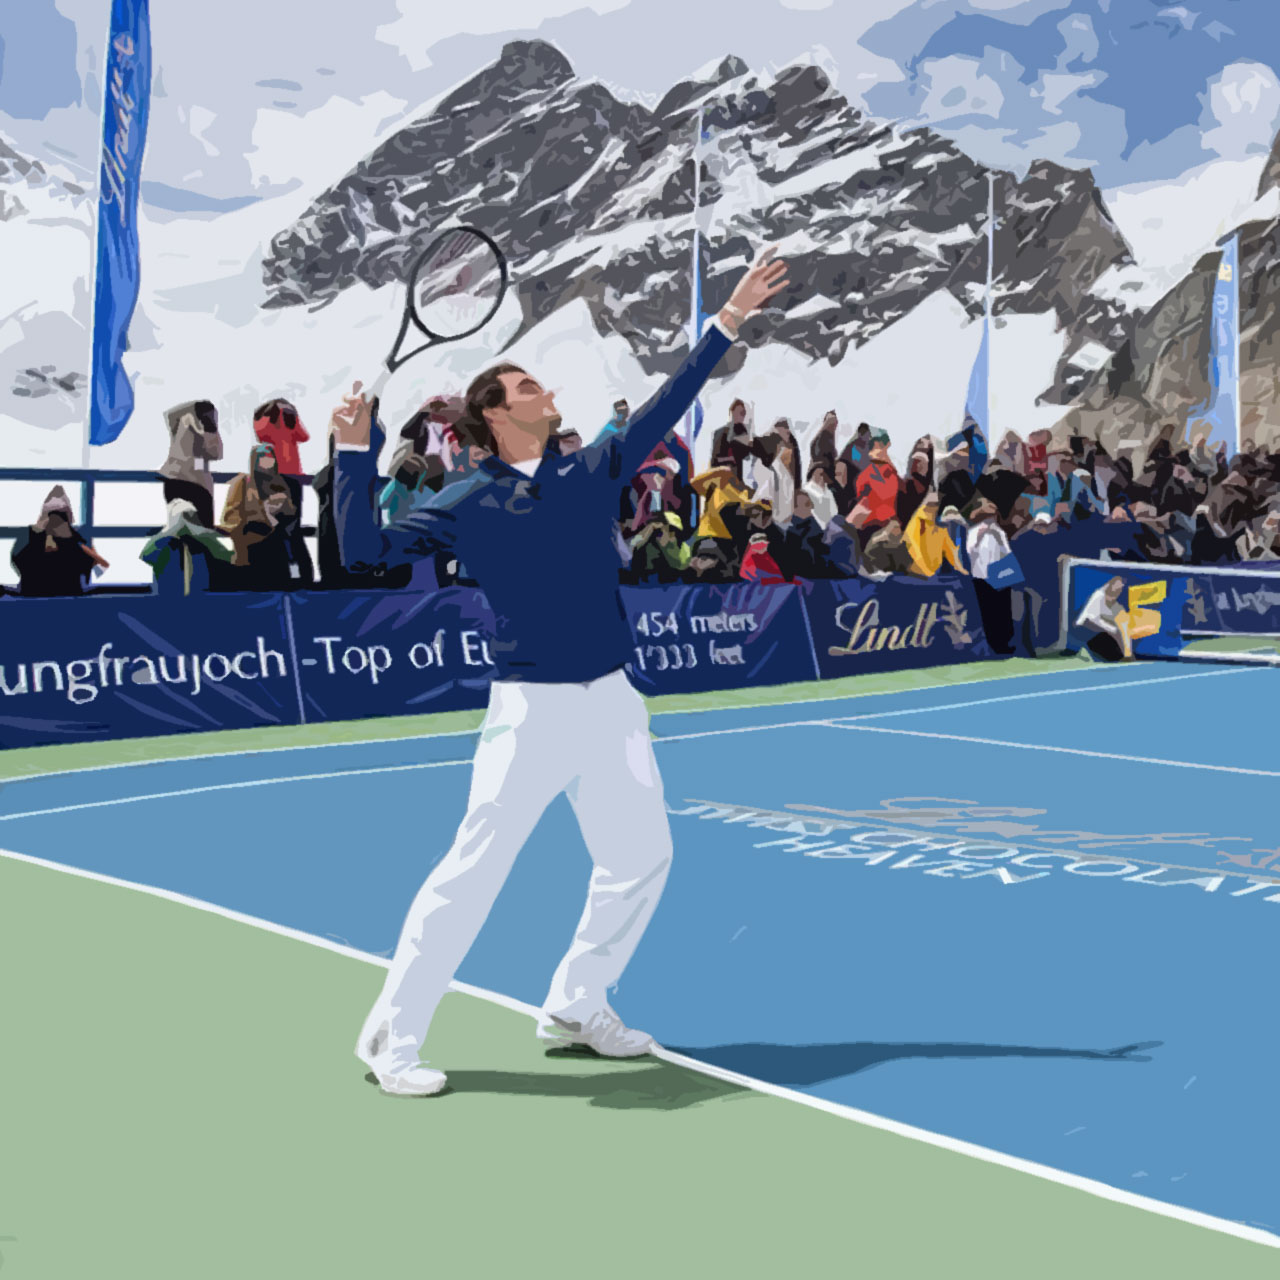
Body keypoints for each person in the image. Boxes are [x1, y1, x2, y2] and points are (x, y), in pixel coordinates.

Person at [330, 248, 790, 1097]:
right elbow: (361, 552)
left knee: (642, 855)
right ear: (497, 418)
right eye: (528, 386)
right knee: (473, 874)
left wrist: (726, 319)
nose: (547, 390)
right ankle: (391, 1038)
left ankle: (577, 1004)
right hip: (530, 711)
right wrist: (352, 455)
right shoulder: (466, 500)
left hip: (612, 700)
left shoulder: (593, 468)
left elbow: (668, 404)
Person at [11, 486, 108, 596]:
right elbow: (94, 567)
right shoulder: (75, 540)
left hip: (46, 595)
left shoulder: (75, 540)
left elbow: (95, 566)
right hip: (57, 595)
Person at [140, 499, 232, 596]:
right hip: (178, 593)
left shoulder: (160, 541)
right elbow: (226, 557)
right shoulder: (204, 539)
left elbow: (146, 556)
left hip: (175, 593)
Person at [159, 400, 223, 530]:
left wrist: (191, 410)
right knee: (203, 533)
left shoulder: (179, 424)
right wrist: (212, 428)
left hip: (173, 480)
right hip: (197, 485)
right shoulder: (207, 430)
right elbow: (216, 453)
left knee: (178, 529)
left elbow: (169, 415)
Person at [965, 501, 1017, 655]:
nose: (991, 519)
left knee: (1004, 609)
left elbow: (1007, 551)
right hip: (982, 576)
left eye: (993, 516)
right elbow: (970, 550)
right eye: (988, 516)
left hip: (1000, 574)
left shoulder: (998, 531)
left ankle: (1006, 640)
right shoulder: (973, 531)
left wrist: (998, 537)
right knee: (989, 611)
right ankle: (994, 643)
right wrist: (981, 535)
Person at [252, 398, 310, 507]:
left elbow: (259, 438)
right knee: (293, 508)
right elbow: (304, 436)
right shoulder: (288, 418)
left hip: (269, 470)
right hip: (291, 470)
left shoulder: (262, 418)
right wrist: (294, 417)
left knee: (273, 507)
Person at [1076, 575, 1131, 662]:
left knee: (1115, 653)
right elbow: (1091, 619)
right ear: (1111, 585)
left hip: (1098, 631)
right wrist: (1110, 628)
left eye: (1120, 588)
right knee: (1114, 632)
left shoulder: (1114, 605)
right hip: (1085, 626)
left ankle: (1124, 656)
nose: (1118, 590)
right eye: (1116, 586)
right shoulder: (1099, 595)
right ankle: (1083, 650)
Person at [708, 399, 754, 481]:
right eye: (740, 412)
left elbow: (746, 456)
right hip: (721, 478)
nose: (742, 416)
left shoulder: (743, 432)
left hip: (736, 479)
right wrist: (730, 459)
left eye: (743, 413)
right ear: (732, 412)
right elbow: (714, 460)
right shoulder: (721, 432)